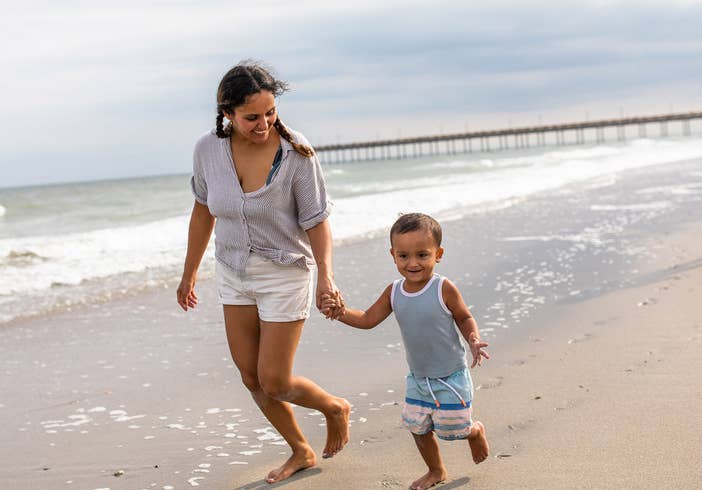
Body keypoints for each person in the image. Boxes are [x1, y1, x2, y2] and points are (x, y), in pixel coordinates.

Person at [176, 61, 350, 484]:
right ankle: (301, 450)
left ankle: (333, 407)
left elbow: (317, 220)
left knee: (274, 380)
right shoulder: (206, 150)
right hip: (234, 271)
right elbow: (203, 212)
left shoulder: (295, 152)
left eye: (270, 112)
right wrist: (189, 273)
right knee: (250, 376)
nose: (264, 123)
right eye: (252, 116)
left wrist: (326, 276)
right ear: (227, 113)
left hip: (284, 271)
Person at [322, 213, 490, 490]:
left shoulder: (442, 288)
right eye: (403, 256)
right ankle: (436, 470)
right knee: (417, 426)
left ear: (439, 254)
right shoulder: (394, 291)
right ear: (393, 255)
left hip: (451, 376)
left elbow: (463, 316)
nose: (413, 263)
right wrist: (339, 313)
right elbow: (366, 319)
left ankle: (474, 432)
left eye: (423, 255)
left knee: (453, 429)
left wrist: (473, 338)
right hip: (418, 378)